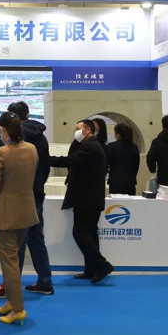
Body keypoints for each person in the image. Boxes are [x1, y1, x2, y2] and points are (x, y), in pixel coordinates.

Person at [0, 101, 54, 299]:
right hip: (35, 195)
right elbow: (45, 166)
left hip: (14, 200)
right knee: (36, 240)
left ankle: (10, 288)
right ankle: (45, 282)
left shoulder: (12, 146)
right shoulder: (38, 140)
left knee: (14, 249)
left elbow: (1, 180)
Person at [0, 112, 39, 325]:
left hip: (6, 214)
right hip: (25, 211)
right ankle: (11, 301)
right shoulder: (31, 149)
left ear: (2, 129)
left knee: (10, 263)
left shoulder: (1, 153)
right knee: (13, 259)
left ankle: (17, 309)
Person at [50, 120, 113, 283]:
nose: (76, 132)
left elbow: (70, 161)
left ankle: (102, 265)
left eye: (78, 129)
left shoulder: (90, 147)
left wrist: (46, 159)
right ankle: (91, 269)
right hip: (91, 198)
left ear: (87, 130)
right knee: (90, 234)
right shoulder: (93, 145)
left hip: (87, 199)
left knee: (80, 233)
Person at [106, 122, 140, 196]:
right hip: (130, 183)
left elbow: (106, 163)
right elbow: (136, 165)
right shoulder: (134, 147)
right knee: (130, 203)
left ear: (118, 134)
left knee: (116, 203)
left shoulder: (112, 146)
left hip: (115, 183)